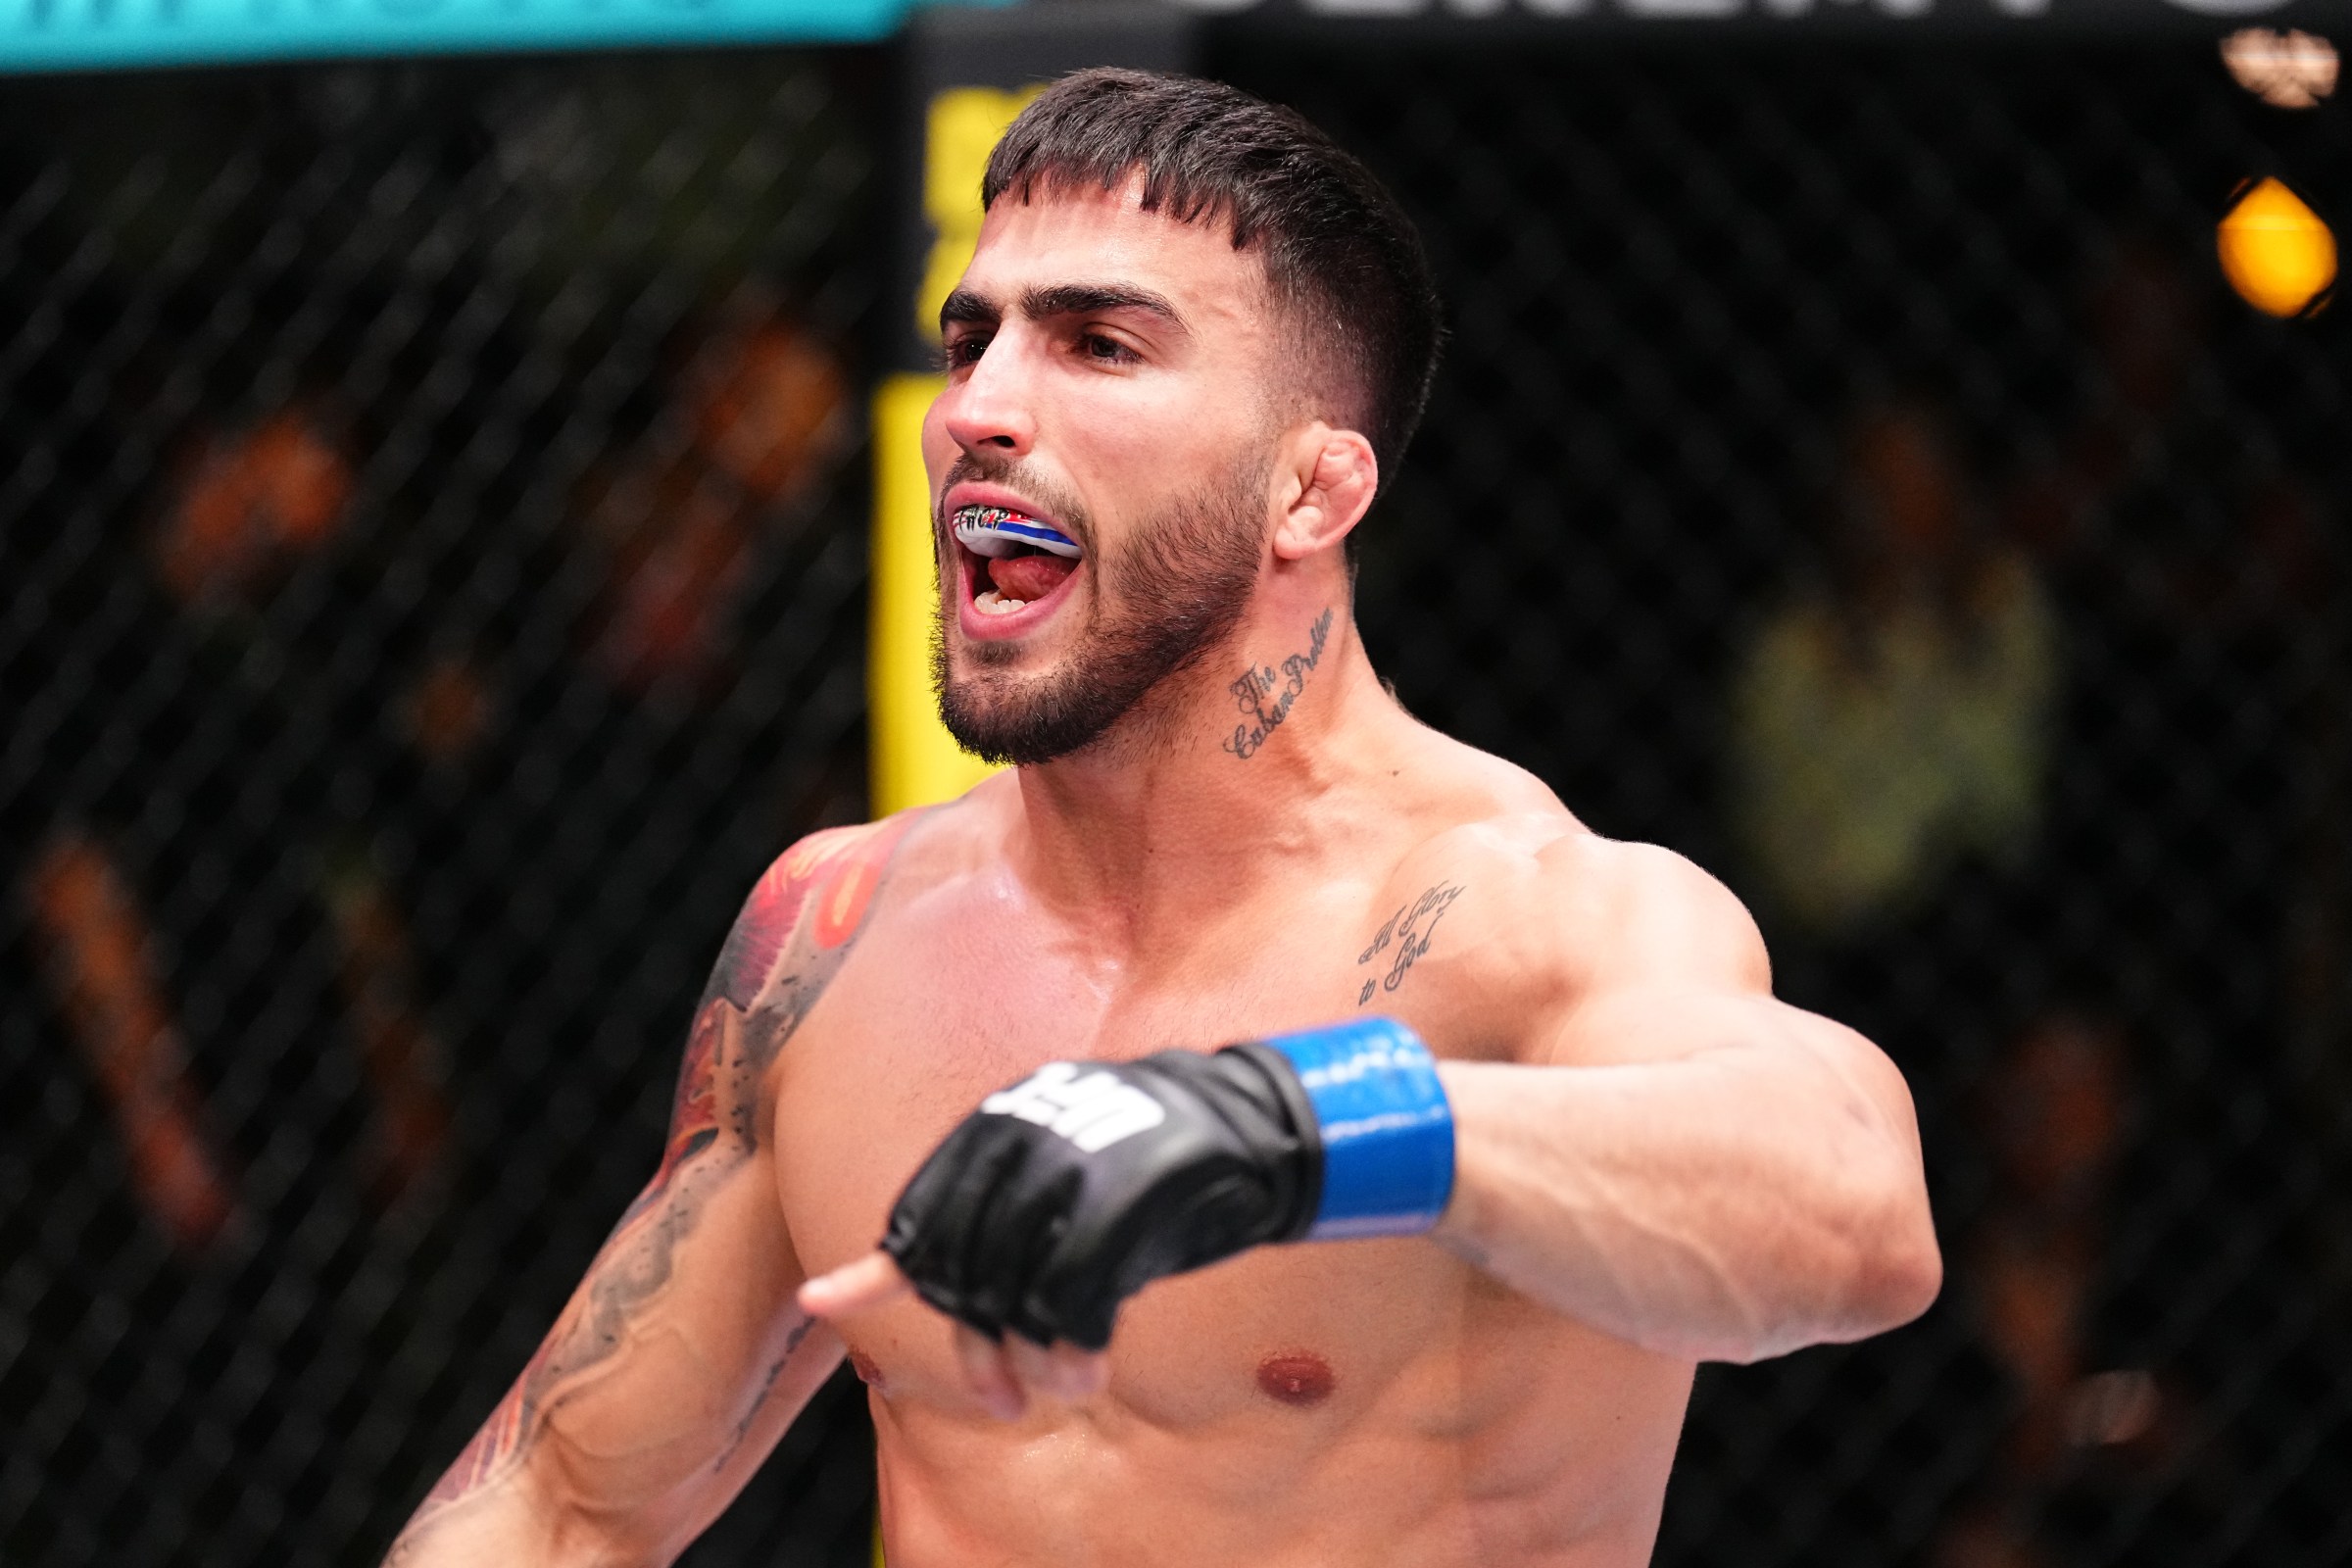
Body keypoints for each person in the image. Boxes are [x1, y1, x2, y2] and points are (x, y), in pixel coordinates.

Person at [383, 70, 1939, 1567]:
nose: (980, 409)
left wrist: (1296, 1126)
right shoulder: (841, 929)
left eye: (1100, 346)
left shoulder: (1519, 916)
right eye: (971, 337)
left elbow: (1856, 1209)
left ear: (1310, 493)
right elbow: (569, 1507)